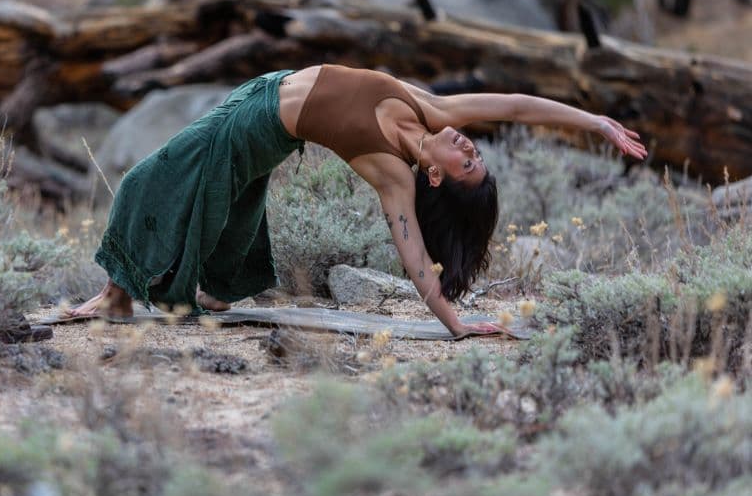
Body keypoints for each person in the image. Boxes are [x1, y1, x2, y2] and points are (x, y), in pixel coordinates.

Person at [65, 64, 646, 336]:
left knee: (146, 179)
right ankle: (215, 291)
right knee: (230, 204)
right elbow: (517, 103)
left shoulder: (392, 173)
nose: (469, 146)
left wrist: (453, 321)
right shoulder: (433, 112)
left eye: (468, 162)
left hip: (255, 124)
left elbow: (413, 253)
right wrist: (592, 121)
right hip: (264, 89)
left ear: (438, 180)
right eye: (475, 152)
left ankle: (116, 297)